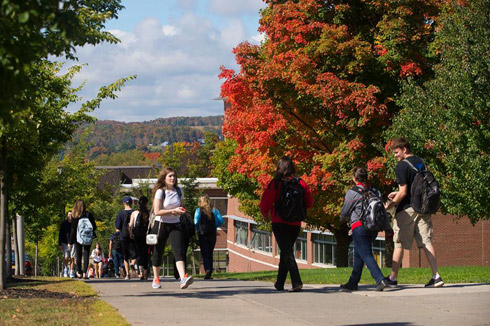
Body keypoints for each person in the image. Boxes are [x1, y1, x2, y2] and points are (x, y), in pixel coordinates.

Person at [384, 137, 444, 288]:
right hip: (423, 207)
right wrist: (396, 192)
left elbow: (403, 192)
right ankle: (436, 276)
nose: (395, 155)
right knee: (426, 241)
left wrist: (390, 205)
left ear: (404, 149)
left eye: (396, 152)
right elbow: (415, 186)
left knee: (399, 243)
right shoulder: (420, 162)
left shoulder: (401, 166)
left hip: (407, 210)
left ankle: (393, 277)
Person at [260, 156, 313, 292]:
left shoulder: (275, 183)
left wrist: (265, 214)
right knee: (286, 251)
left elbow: (265, 202)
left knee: (287, 251)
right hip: (295, 223)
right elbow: (310, 202)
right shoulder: (301, 183)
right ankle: (279, 283)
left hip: (280, 222)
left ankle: (296, 281)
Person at [339, 167, 388, 292]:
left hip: (359, 226)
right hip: (373, 226)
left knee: (366, 254)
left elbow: (345, 211)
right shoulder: (375, 191)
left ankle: (380, 279)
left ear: (354, 178)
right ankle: (353, 282)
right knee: (359, 253)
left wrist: (342, 219)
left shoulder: (352, 192)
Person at [150, 167, 193, 289]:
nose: (173, 178)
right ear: (164, 179)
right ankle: (156, 278)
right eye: (170, 176)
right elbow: (157, 211)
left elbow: (182, 206)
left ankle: (183, 278)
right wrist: (172, 211)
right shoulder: (160, 192)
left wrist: (181, 211)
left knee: (179, 251)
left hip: (175, 223)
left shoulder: (179, 191)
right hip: (161, 224)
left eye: (174, 176)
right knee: (158, 252)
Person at [194, 194, 224, 279]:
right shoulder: (214, 210)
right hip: (212, 233)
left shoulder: (198, 211)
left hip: (202, 234)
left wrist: (198, 229)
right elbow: (220, 221)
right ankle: (209, 271)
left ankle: (207, 269)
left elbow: (196, 222)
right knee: (210, 252)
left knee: (204, 252)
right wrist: (214, 226)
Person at [70, 200, 97, 279]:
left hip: (78, 237)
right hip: (88, 236)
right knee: (86, 254)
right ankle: (85, 273)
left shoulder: (74, 215)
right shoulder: (89, 214)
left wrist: (70, 241)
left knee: (78, 255)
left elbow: (73, 229)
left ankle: (79, 272)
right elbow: (94, 227)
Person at [115, 196, 136, 280]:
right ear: (131, 203)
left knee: (125, 256)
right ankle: (133, 263)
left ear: (124, 203)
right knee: (134, 254)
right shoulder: (135, 212)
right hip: (133, 235)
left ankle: (127, 274)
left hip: (123, 236)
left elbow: (117, 227)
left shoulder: (120, 213)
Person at [129, 196, 150, 280]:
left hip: (137, 234)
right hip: (146, 235)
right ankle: (145, 273)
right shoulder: (148, 213)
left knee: (139, 253)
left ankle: (140, 273)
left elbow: (130, 225)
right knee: (146, 253)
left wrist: (131, 233)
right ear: (147, 203)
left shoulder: (134, 213)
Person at [58, 211, 76, 278]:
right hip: (65, 242)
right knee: (66, 257)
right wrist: (60, 243)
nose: (70, 216)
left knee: (72, 257)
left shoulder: (74, 223)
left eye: (71, 215)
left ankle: (71, 271)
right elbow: (60, 233)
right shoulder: (64, 223)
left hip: (73, 242)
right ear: (67, 215)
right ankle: (65, 269)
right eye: (69, 214)